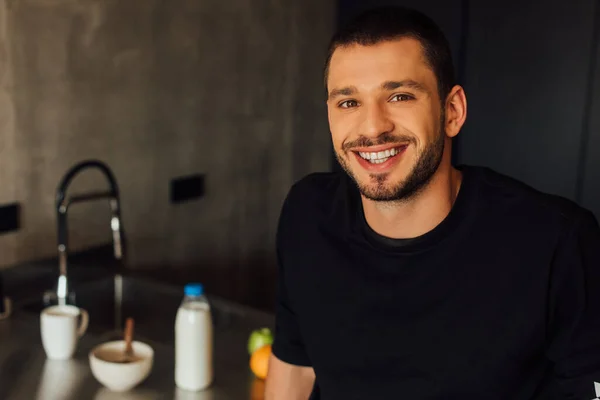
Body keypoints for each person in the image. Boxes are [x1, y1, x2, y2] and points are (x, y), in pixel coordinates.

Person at [264, 5, 600, 400]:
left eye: (400, 95)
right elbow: (295, 366)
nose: (372, 126)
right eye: (349, 103)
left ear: (452, 111)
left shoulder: (556, 242)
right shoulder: (307, 214)